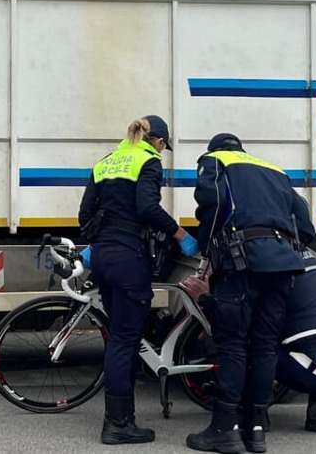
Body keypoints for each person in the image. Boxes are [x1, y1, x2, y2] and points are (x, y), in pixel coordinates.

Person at [186, 133, 315, 454]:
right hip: (283, 266)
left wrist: (209, 249)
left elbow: (211, 205)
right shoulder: (274, 170)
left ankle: (223, 428)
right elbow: (306, 224)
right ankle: (256, 429)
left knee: (232, 345)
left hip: (242, 264)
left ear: (215, 149)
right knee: (264, 346)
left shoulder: (215, 162)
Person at [78, 114, 200, 445]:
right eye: (164, 145)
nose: (163, 150)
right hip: (129, 257)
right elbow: (147, 207)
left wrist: (98, 245)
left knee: (119, 336)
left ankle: (122, 418)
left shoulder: (105, 162)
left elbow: (84, 215)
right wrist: (179, 233)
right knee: (124, 340)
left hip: (103, 256)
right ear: (157, 141)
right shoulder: (149, 160)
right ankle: (117, 424)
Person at [179, 248, 316, 435]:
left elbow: (239, 320)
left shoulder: (268, 263)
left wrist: (207, 298)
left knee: (250, 344)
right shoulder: (309, 258)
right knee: (311, 333)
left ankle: (256, 413)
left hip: (305, 369)